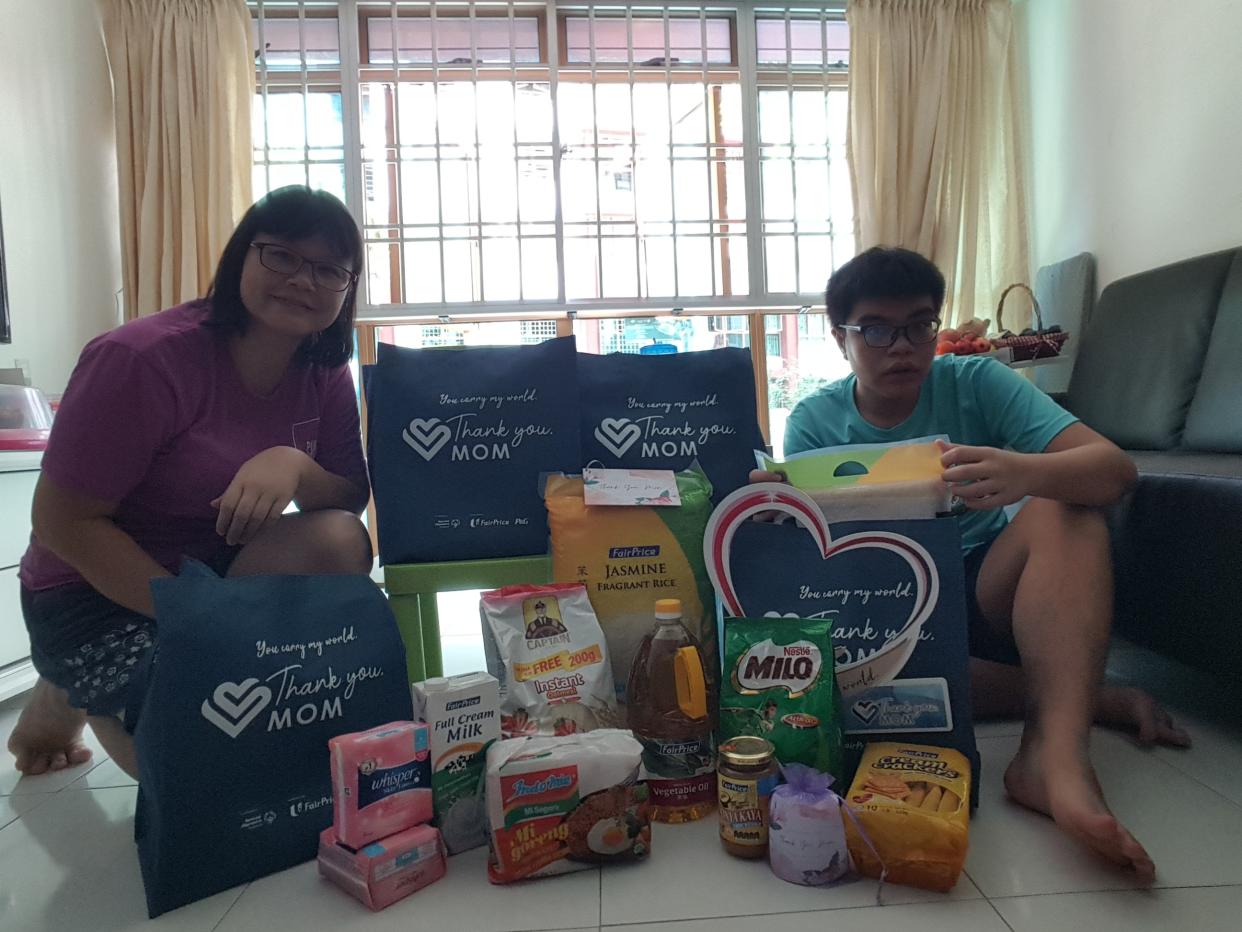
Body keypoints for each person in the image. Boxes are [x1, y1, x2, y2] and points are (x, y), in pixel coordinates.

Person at [758, 246, 1190, 884]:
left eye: (920, 325)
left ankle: (1054, 759)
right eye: (876, 329)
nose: (902, 346)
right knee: (860, 691)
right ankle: (1088, 696)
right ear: (840, 337)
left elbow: (1113, 470)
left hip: (984, 587)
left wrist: (1024, 471)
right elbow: (824, 570)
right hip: (888, 615)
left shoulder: (974, 382)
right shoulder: (817, 421)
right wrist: (775, 510)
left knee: (1066, 509)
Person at [8, 186, 374, 781]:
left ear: (347, 288)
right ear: (240, 257)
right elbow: (60, 522)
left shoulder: (323, 366)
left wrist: (294, 464)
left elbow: (348, 497)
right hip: (93, 592)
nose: (304, 281)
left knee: (338, 538)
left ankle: (69, 685)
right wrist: (192, 616)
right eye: (282, 256)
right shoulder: (141, 359)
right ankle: (71, 675)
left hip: (216, 577)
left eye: (330, 270)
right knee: (197, 765)